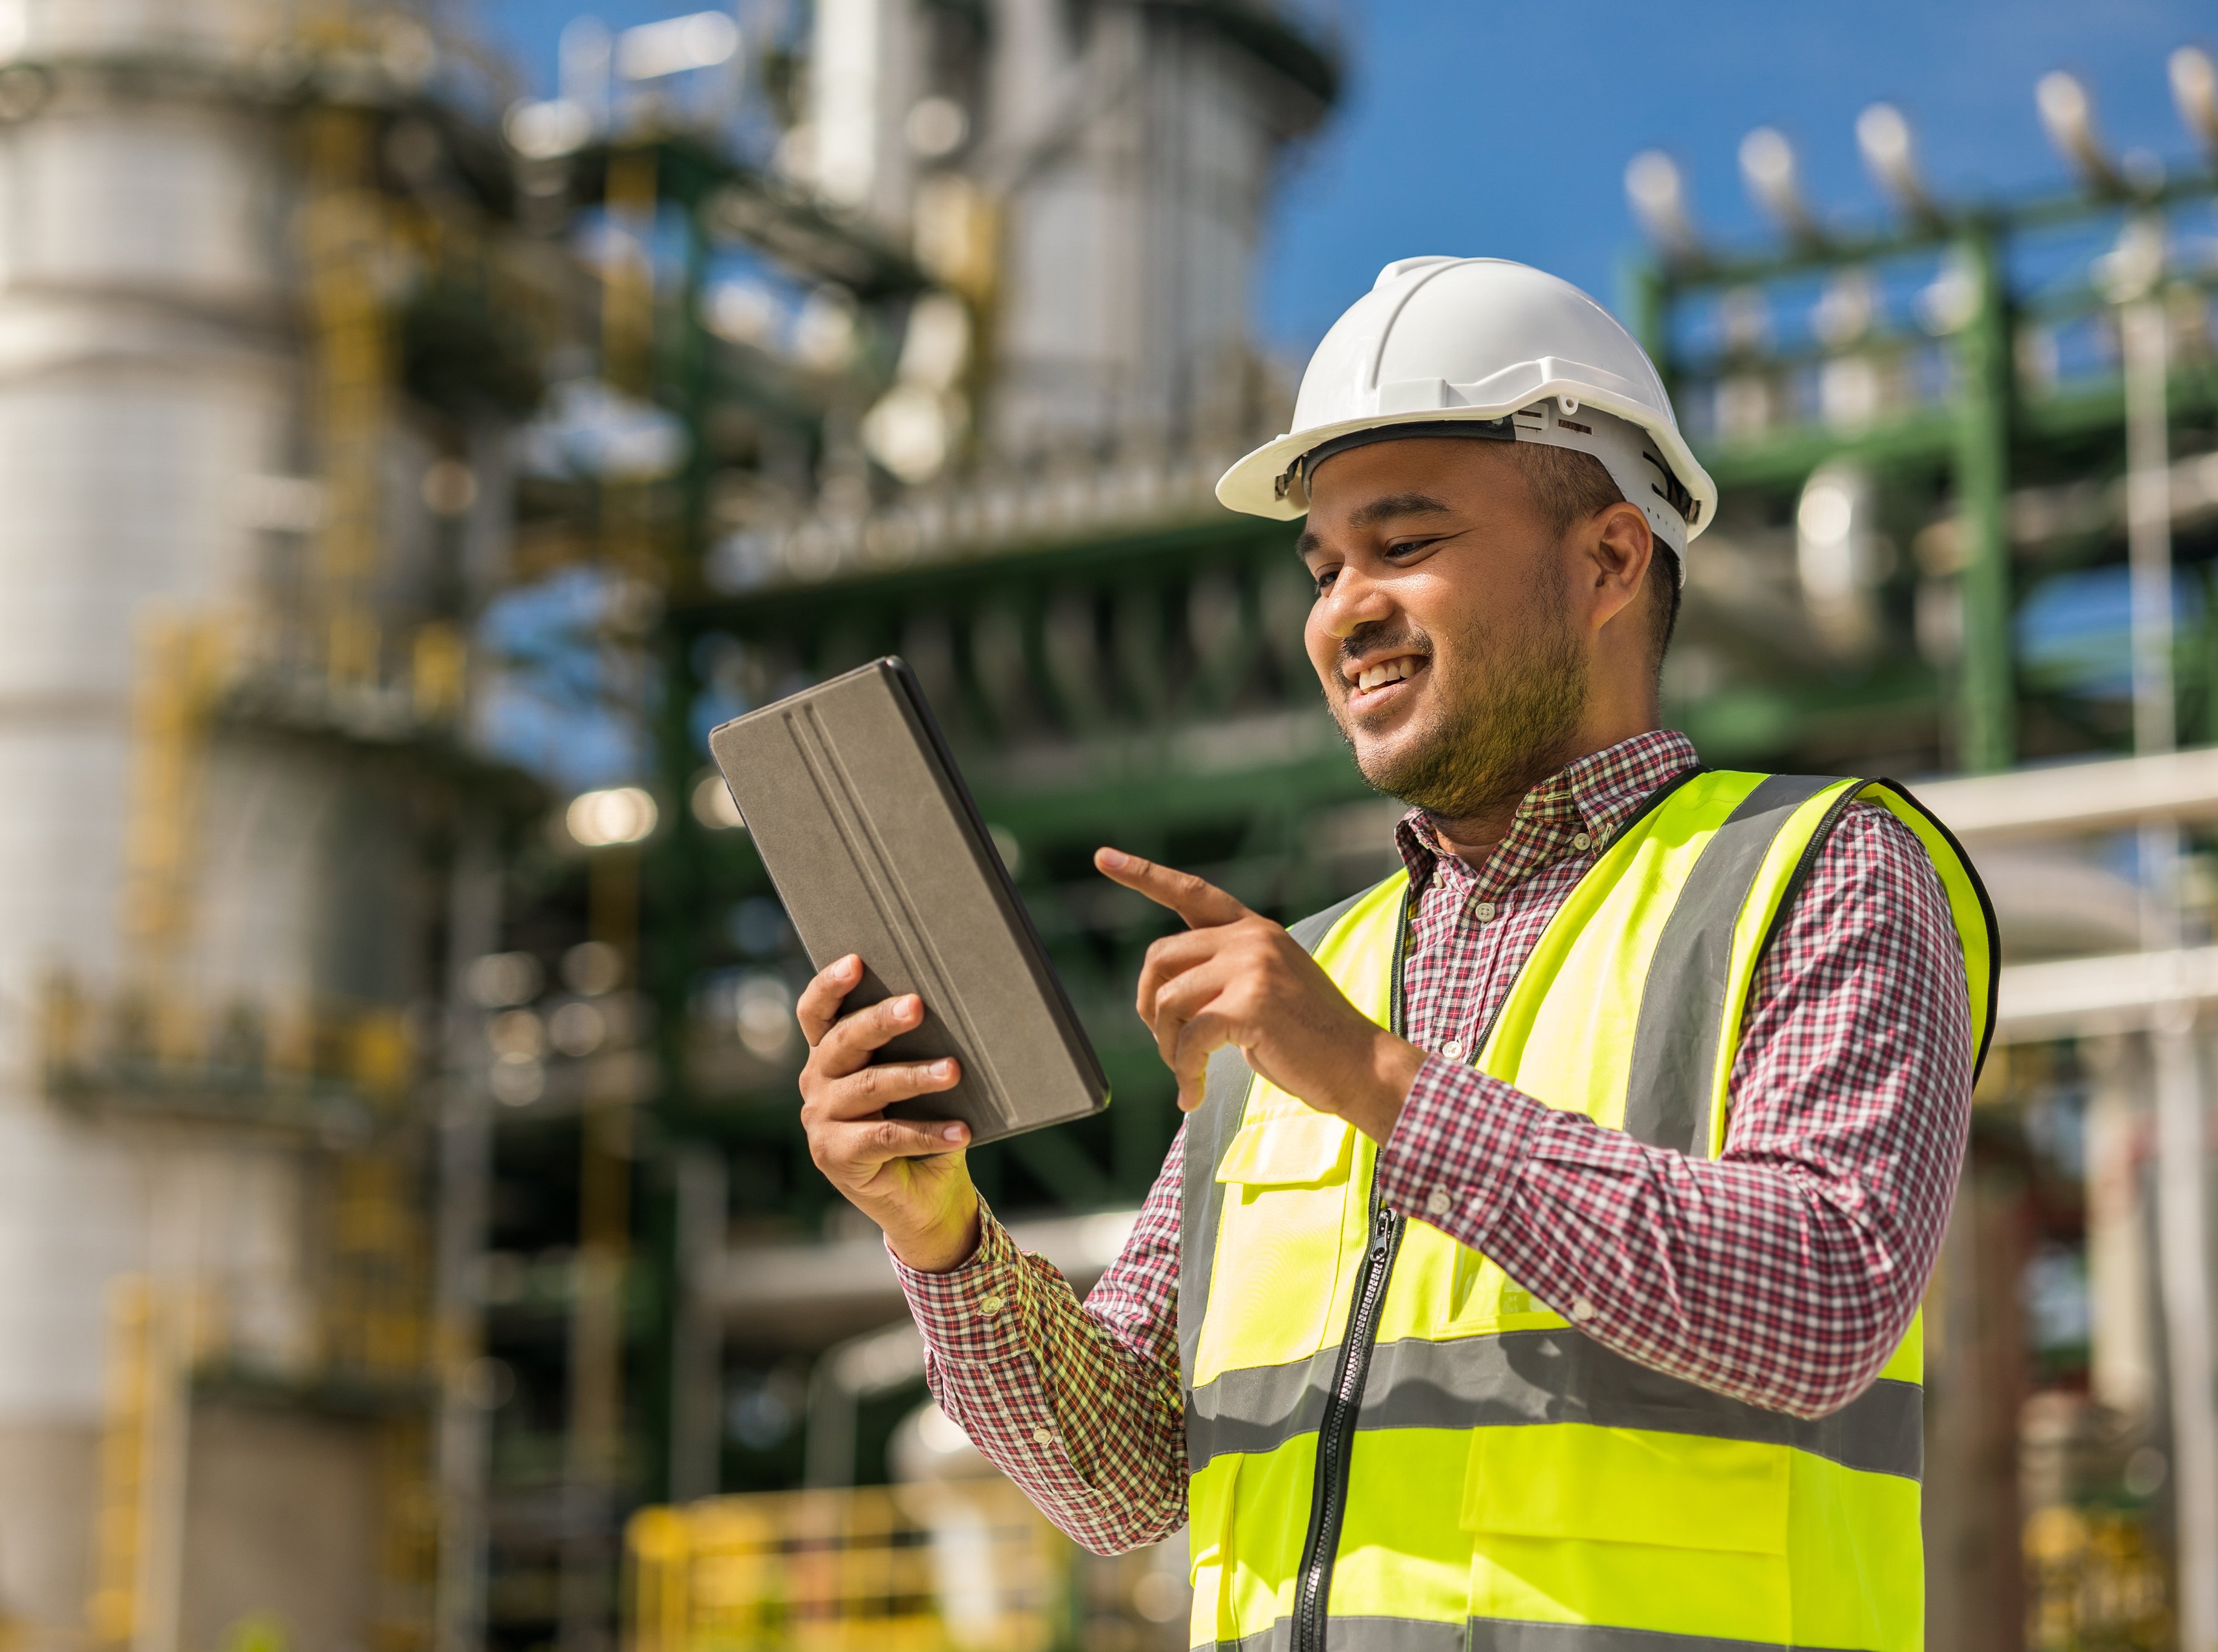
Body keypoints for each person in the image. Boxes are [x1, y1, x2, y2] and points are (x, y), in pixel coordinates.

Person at [792, 258, 1995, 1652]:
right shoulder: (1311, 975)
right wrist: (937, 1232)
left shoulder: (1820, 868)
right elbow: (1125, 1477)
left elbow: (1820, 1297)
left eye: (1403, 545)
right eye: (1322, 567)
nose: (1340, 609)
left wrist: (1373, 1081)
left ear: (1608, 557)